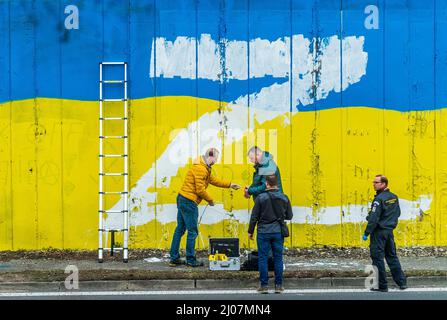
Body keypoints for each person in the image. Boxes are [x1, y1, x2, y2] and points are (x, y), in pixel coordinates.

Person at [169, 148, 240, 267]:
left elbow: (213, 180)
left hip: (183, 198)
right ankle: (191, 260)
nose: (216, 161)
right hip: (189, 201)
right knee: (192, 231)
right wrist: (210, 200)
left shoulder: (204, 168)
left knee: (180, 229)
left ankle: (174, 257)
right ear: (210, 156)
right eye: (216, 158)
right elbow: (200, 189)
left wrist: (229, 184)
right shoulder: (200, 169)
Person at [248, 174, 293, 294]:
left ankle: (264, 286)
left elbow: (254, 217)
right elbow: (289, 216)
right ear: (277, 183)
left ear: (266, 184)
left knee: (263, 258)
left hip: (263, 232)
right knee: (278, 258)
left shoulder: (260, 198)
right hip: (278, 231)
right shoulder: (284, 197)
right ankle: (279, 286)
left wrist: (250, 231)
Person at [363, 174, 407, 292]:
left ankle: (382, 286)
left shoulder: (379, 199)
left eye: (376, 182)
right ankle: (402, 282)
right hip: (389, 232)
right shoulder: (394, 197)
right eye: (374, 182)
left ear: (383, 184)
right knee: (391, 256)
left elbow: (373, 218)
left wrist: (367, 232)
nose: (374, 184)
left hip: (379, 232)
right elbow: (397, 213)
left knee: (377, 258)